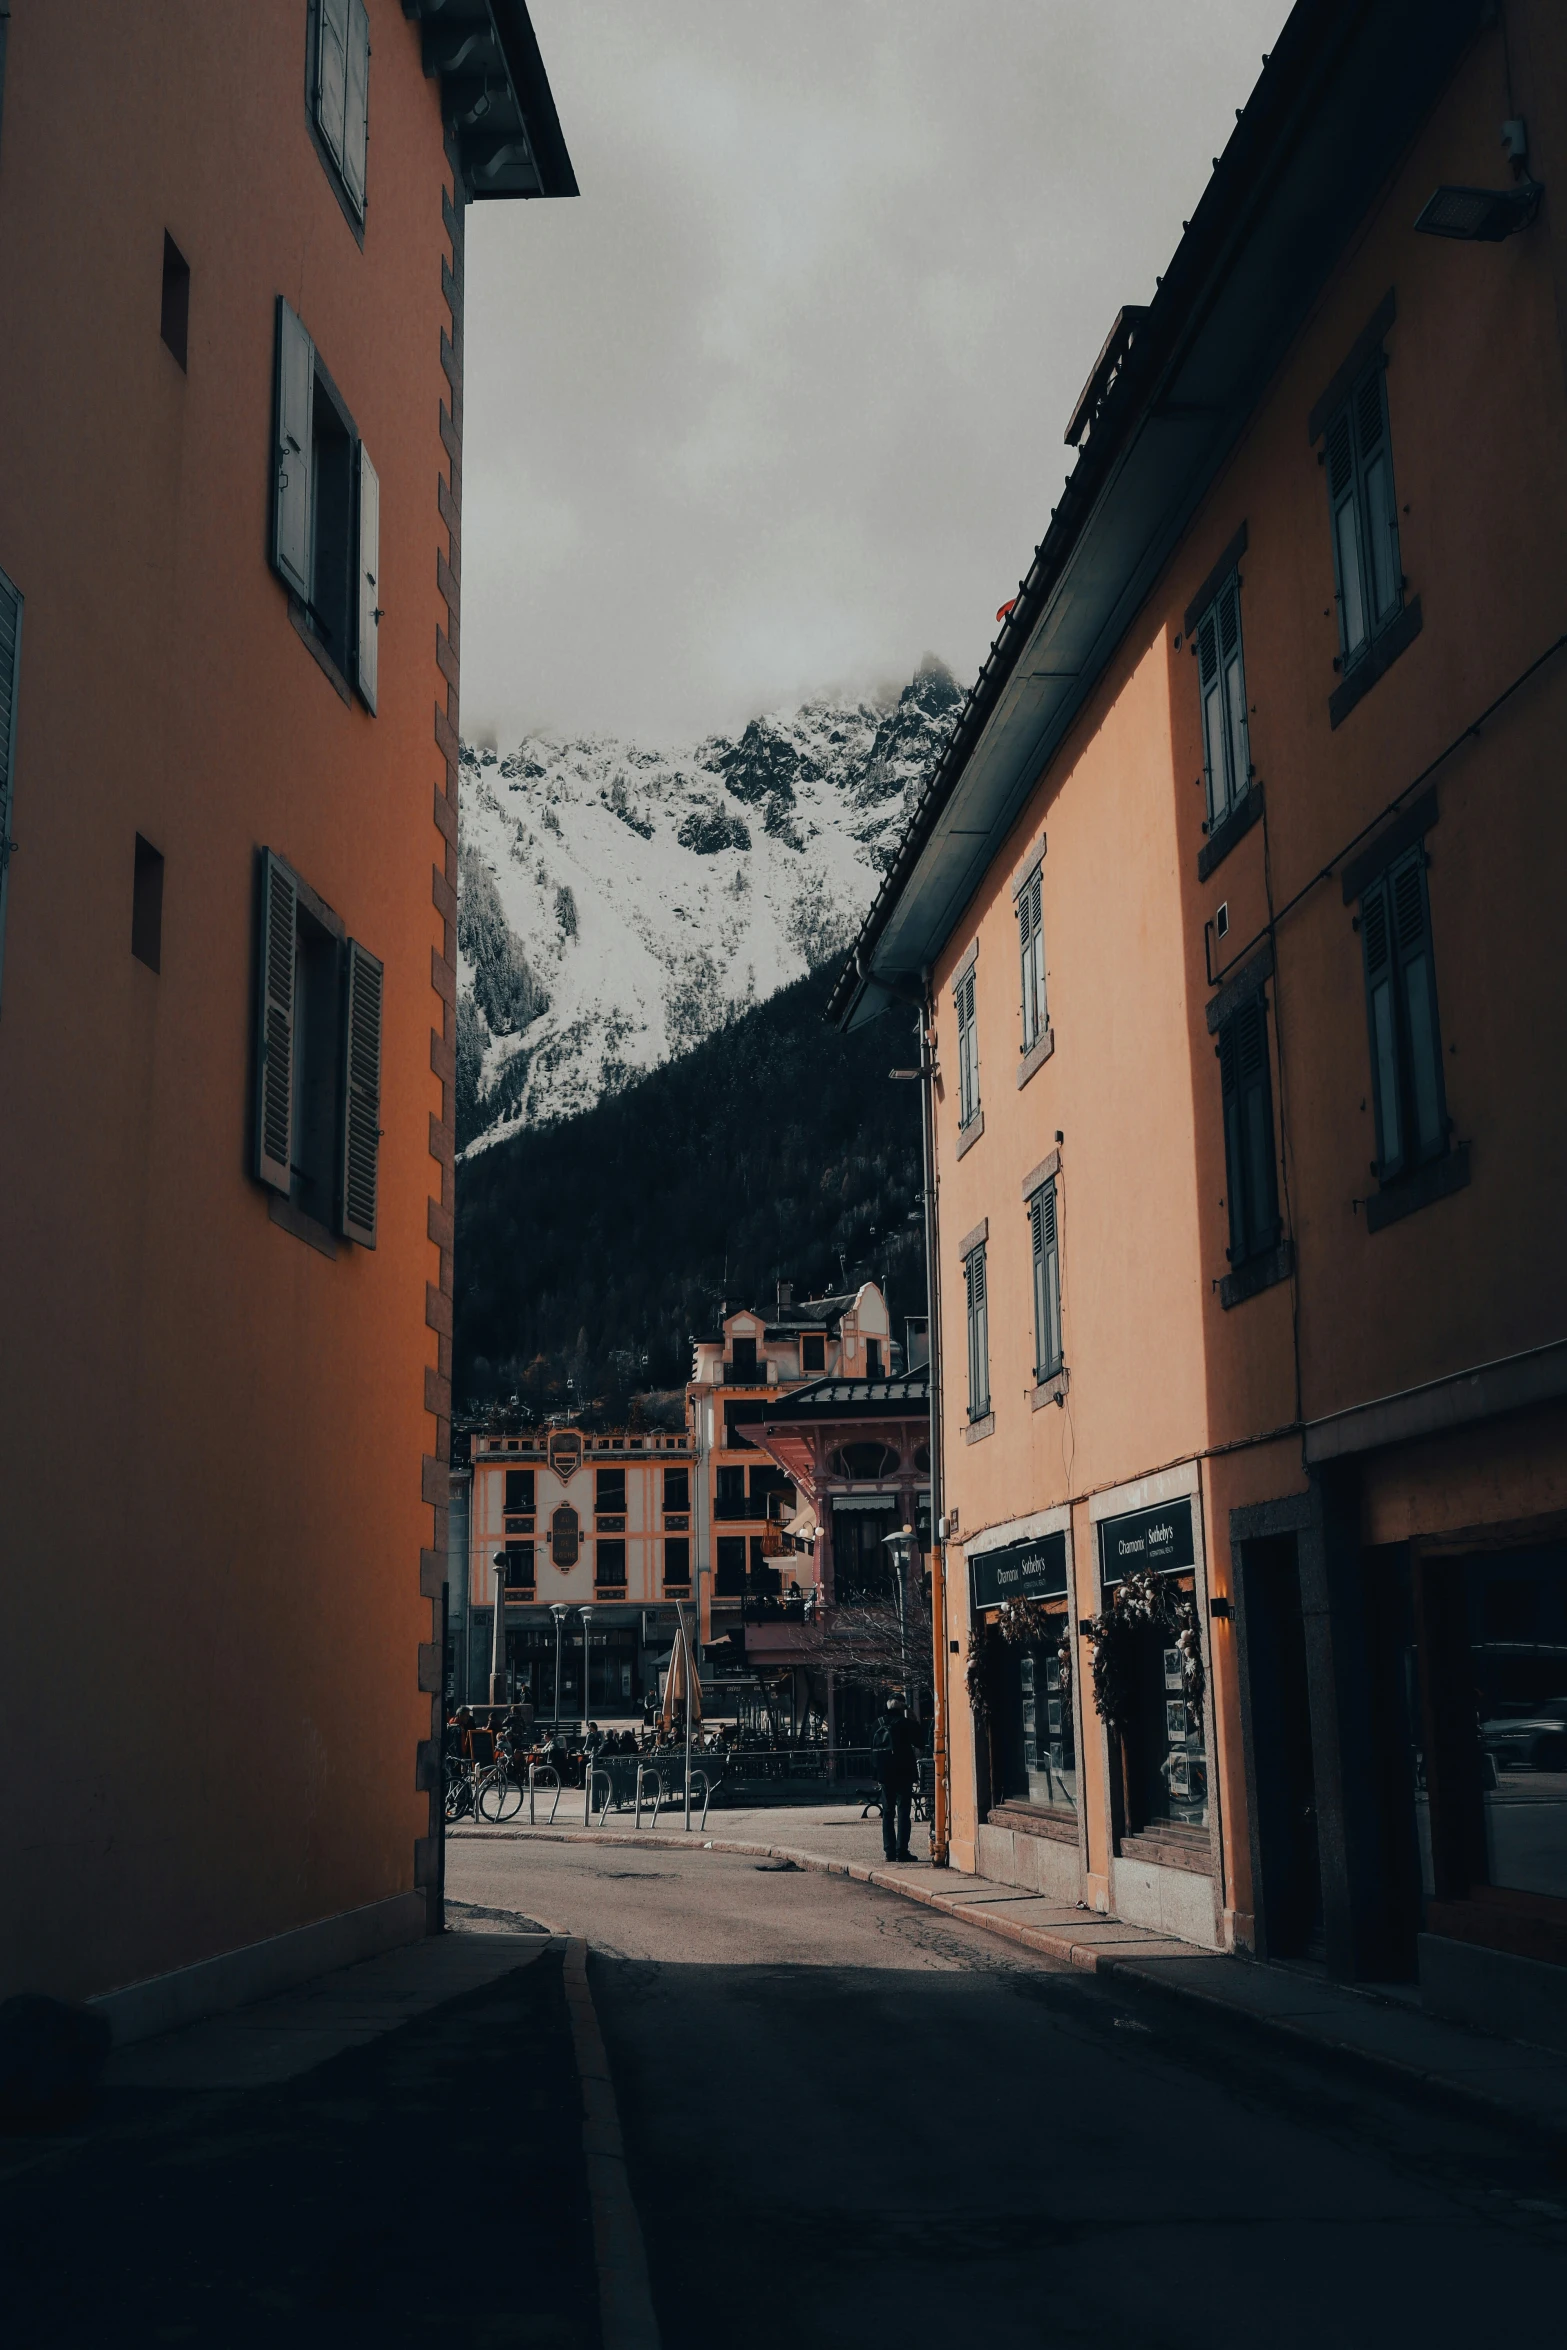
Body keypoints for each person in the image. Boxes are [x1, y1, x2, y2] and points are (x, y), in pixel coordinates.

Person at [871, 1695, 920, 1863]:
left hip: (884, 1773)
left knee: (887, 1812)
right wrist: (913, 1718)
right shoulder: (905, 1723)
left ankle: (889, 1852)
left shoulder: (877, 1723)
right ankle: (902, 1851)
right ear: (901, 1709)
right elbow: (920, 1742)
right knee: (903, 1812)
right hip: (903, 1772)